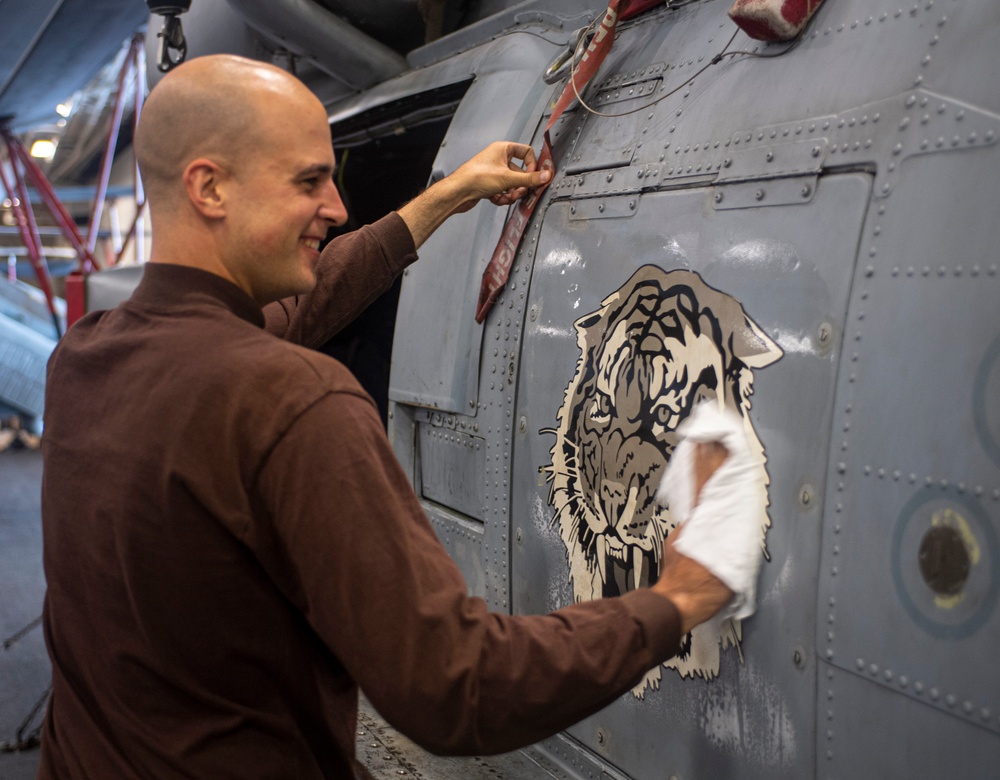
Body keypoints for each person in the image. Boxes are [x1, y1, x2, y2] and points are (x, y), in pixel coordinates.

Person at [38, 54, 734, 779]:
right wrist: (671, 601)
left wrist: (445, 196)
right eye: (309, 182)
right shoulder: (297, 400)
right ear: (209, 187)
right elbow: (455, 686)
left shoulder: (87, 355)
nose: (337, 207)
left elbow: (293, 309)